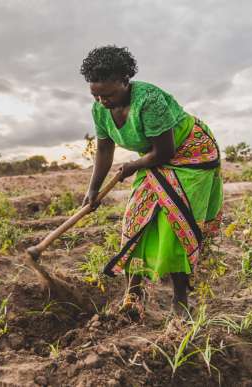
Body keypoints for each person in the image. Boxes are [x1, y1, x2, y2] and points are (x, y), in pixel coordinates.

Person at [80, 45, 223, 315]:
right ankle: (133, 296)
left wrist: (134, 165)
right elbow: (104, 149)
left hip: (190, 155)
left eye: (108, 94)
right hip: (153, 156)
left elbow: (165, 152)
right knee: (135, 218)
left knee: (174, 220)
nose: (102, 101)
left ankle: (180, 301)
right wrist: (93, 190)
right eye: (95, 95)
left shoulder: (149, 100)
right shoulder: (99, 110)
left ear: (125, 80)